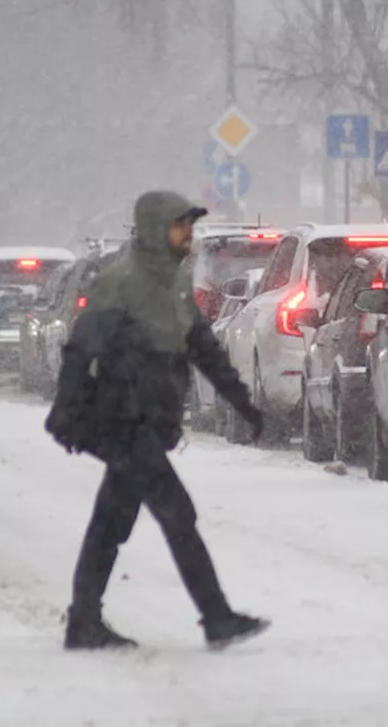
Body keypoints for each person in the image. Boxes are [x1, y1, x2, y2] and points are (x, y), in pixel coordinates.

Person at [46, 190, 270, 651]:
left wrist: (241, 401)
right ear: (153, 229)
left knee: (110, 521)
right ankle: (216, 617)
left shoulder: (174, 282)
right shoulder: (121, 283)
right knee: (177, 515)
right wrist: (67, 411)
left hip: (151, 422)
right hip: (124, 420)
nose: (187, 234)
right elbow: (82, 349)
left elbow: (203, 348)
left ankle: (84, 621)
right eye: (178, 225)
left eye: (188, 226)